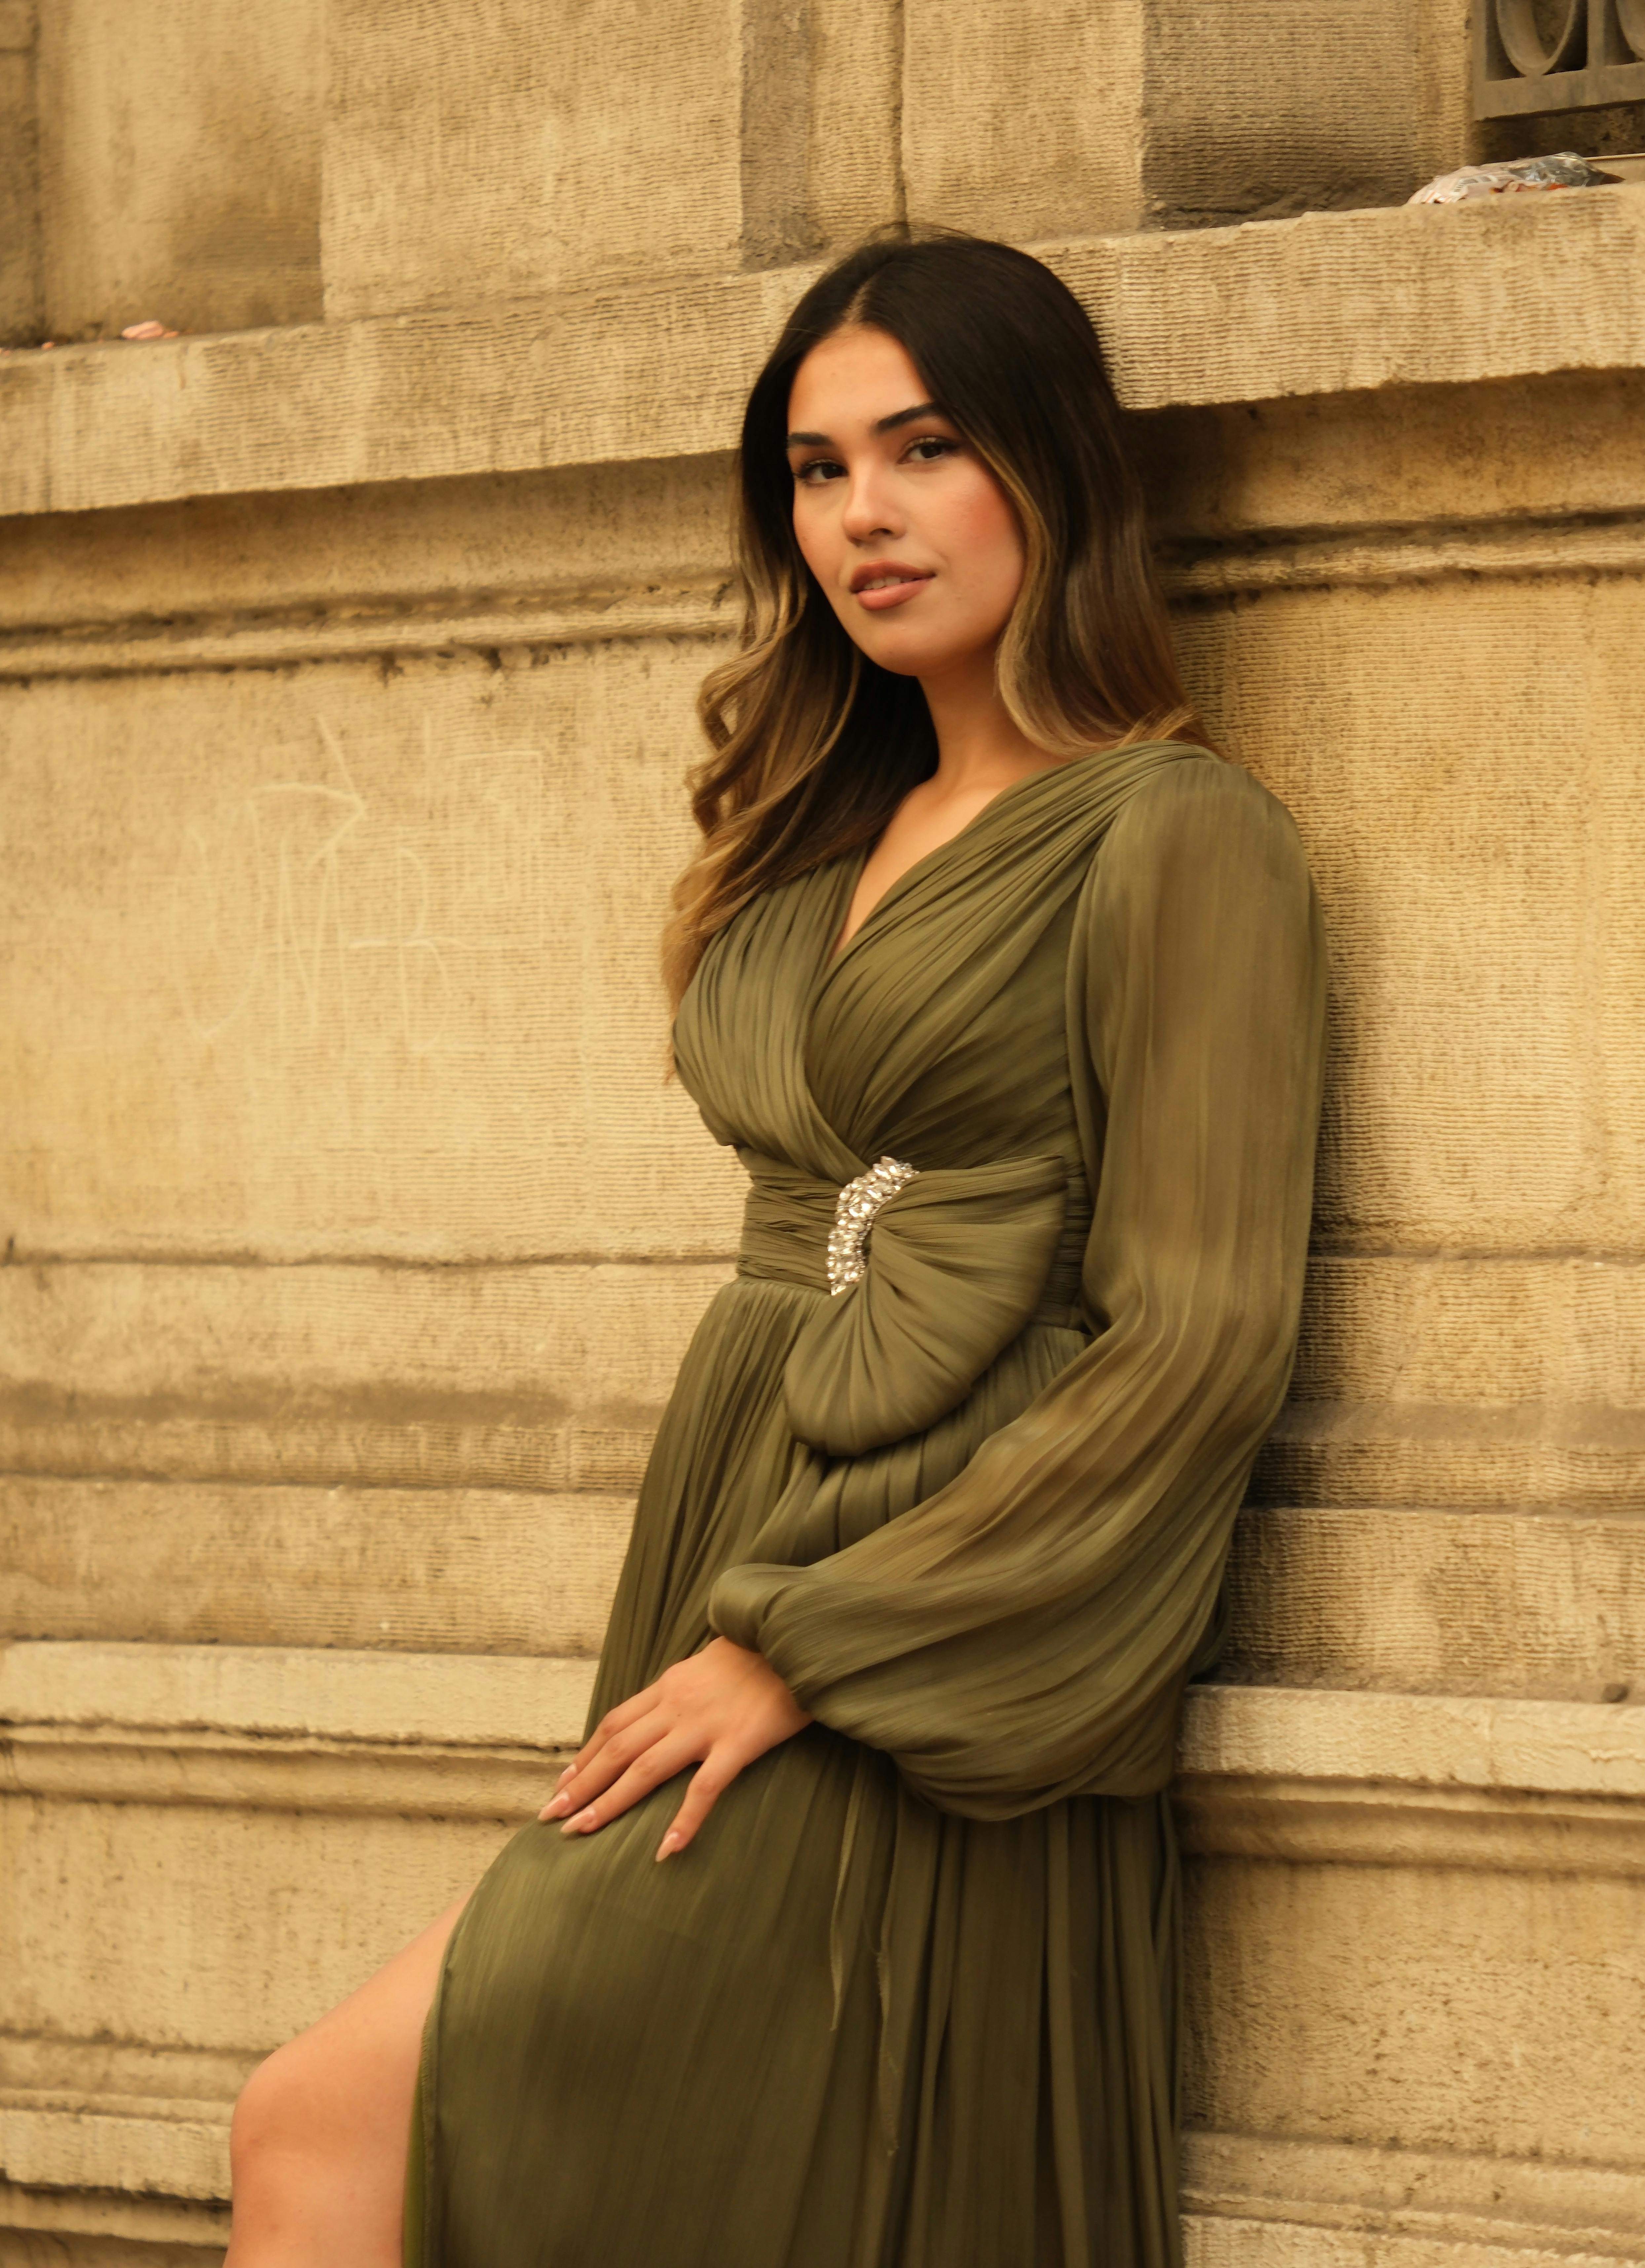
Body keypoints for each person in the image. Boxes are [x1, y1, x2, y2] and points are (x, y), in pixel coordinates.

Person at [226, 229, 1326, 2268]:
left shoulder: (1179, 838)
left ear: (1056, 472)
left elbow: (1197, 1345)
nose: (864, 517)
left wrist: (811, 1653)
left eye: (922, 450)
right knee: (362, 2144)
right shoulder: (822, 833)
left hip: (920, 1669)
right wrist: (724, 1637)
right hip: (721, 1587)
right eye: (818, 471)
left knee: (326, 2121)